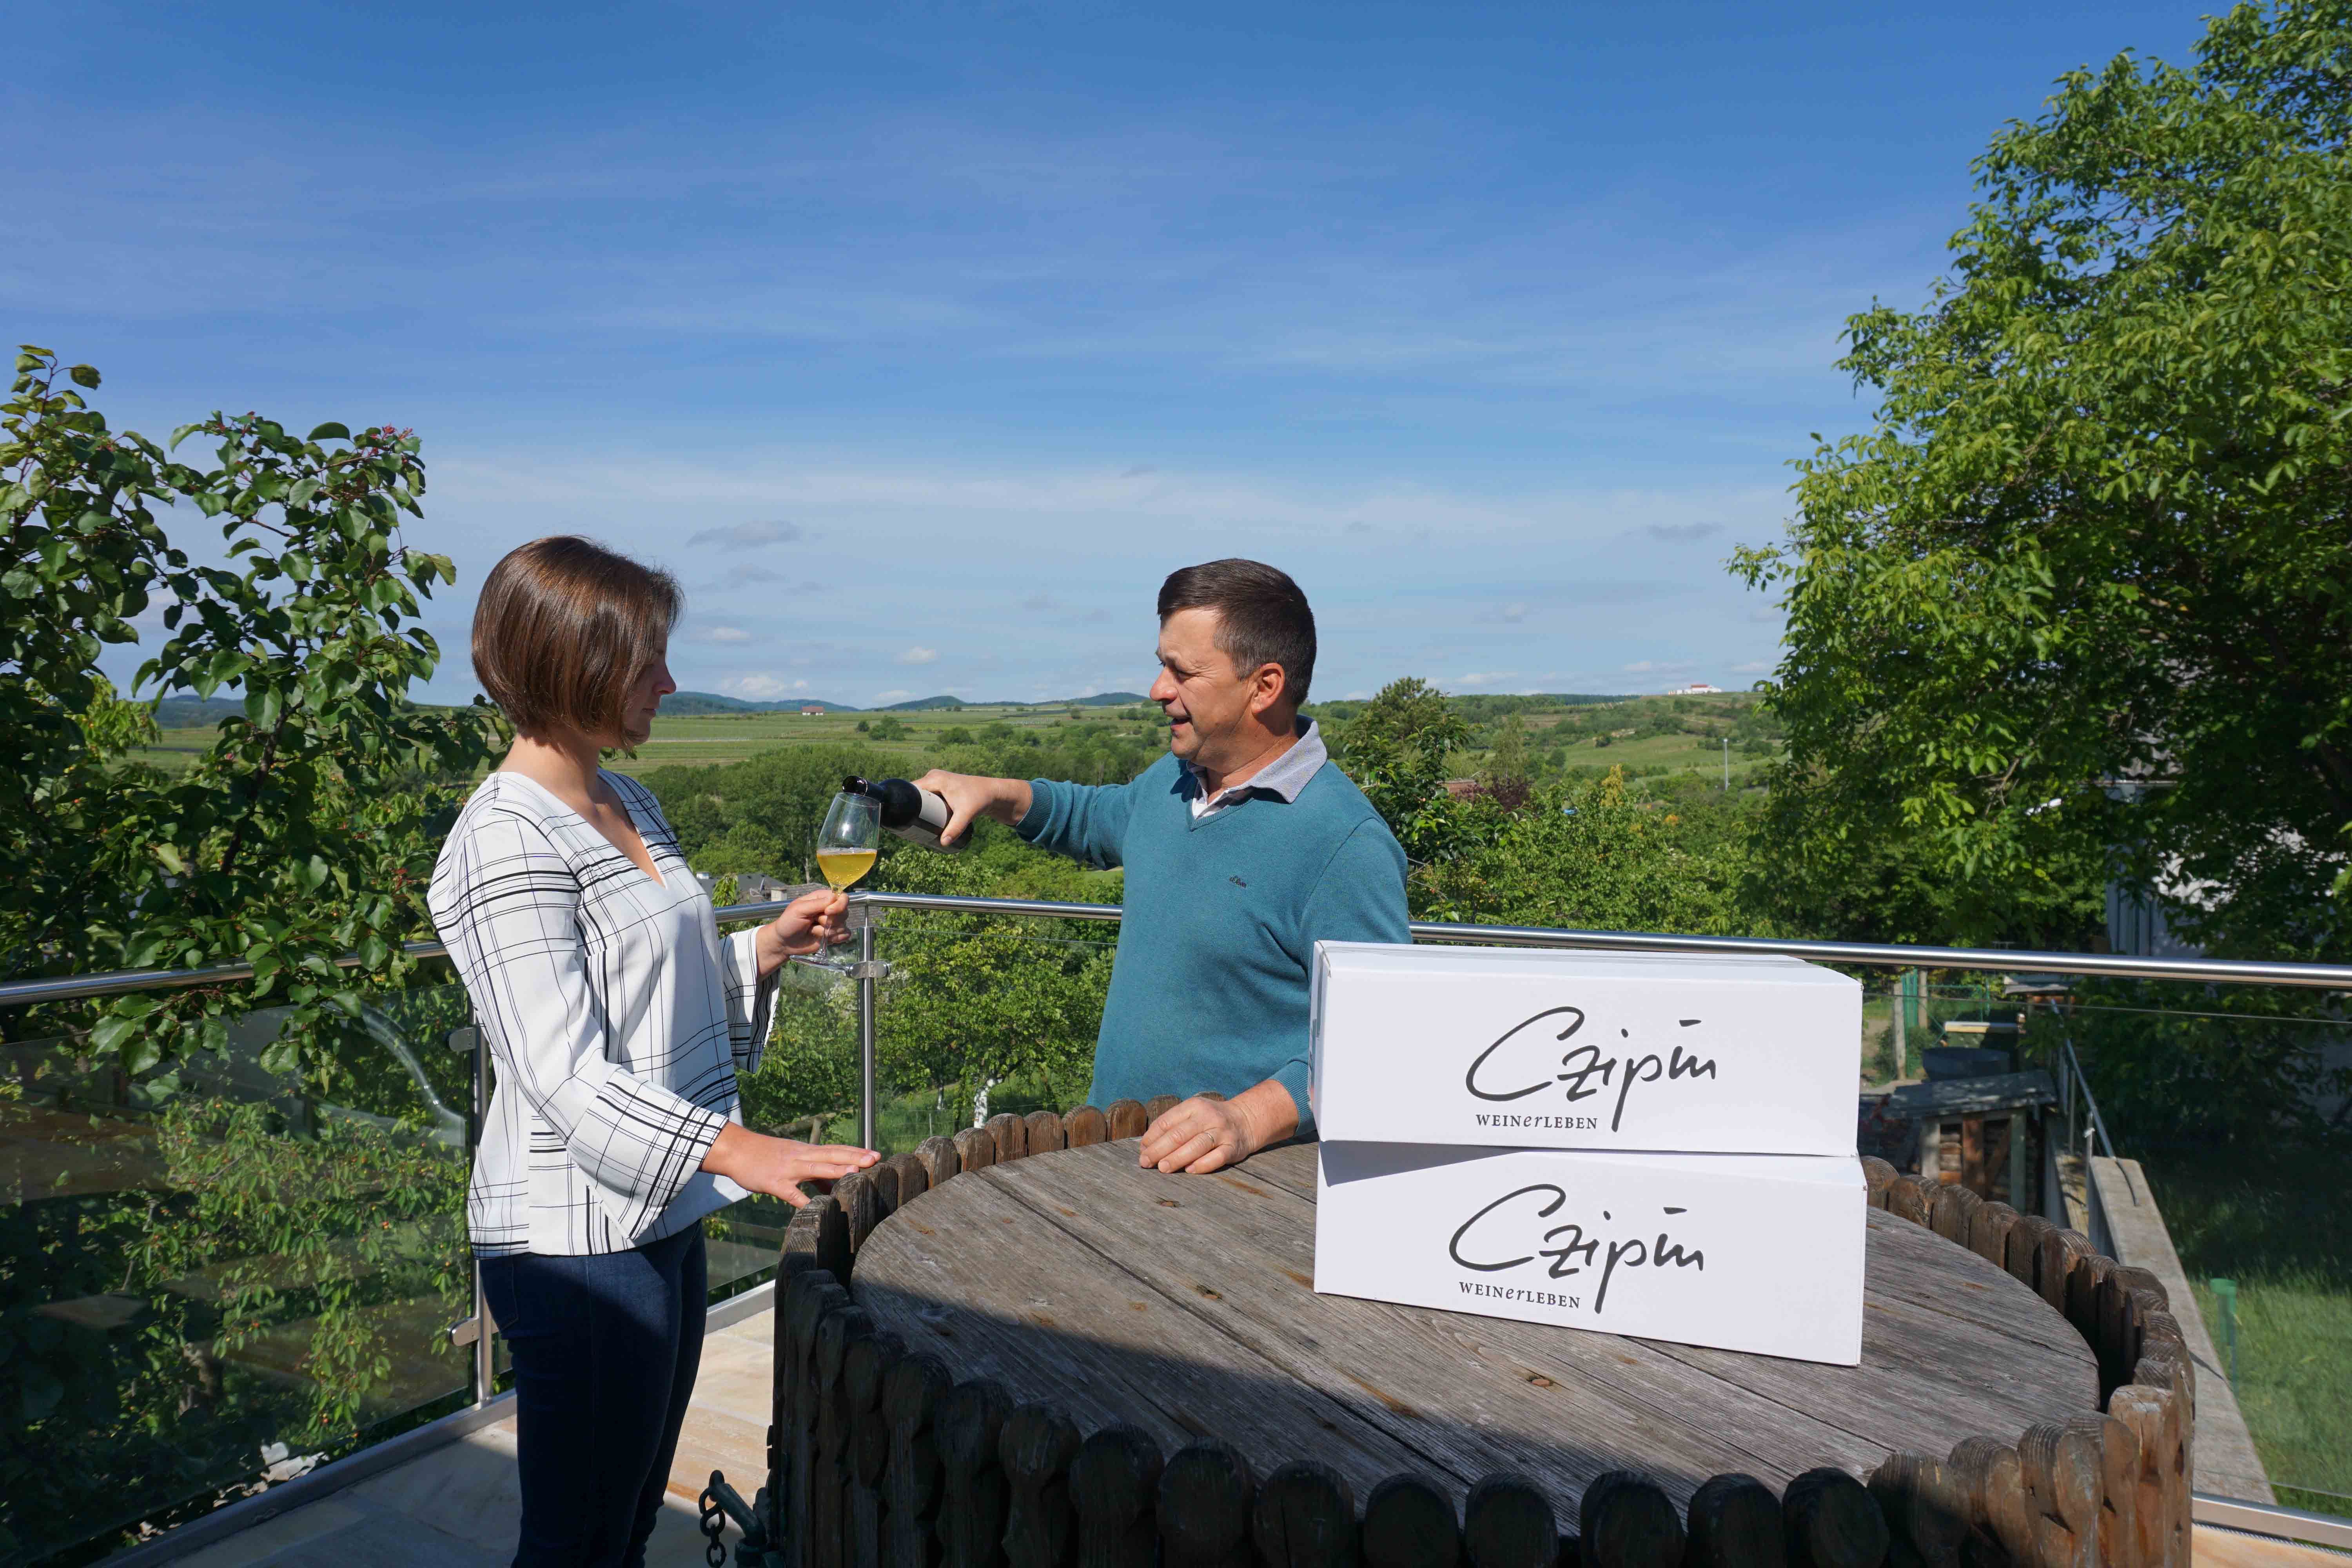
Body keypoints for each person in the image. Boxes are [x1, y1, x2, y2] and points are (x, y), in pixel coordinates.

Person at [429, 536, 877, 1568]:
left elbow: (652, 986)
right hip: (573, 1245)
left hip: (662, 1209)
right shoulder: (506, 840)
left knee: (625, 1522)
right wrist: (744, 1151)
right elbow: (564, 1074)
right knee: (579, 1542)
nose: (670, 684)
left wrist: (764, 948)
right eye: (648, 662)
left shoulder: (629, 802)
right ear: (573, 663)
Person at [918, 558, 1408, 1175]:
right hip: (1112, 1152)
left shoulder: (1343, 842)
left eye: (1183, 671)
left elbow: (1379, 1035)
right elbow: (1096, 817)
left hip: (1236, 1185)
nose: (1158, 689)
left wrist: (1247, 1118)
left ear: (1264, 686)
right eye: (1162, 665)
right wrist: (993, 792)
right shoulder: (1176, 780)